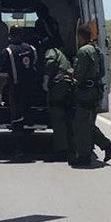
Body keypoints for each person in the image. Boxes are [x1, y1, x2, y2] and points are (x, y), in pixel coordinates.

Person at [70, 22, 111, 168]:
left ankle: (85, 155)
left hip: (85, 92)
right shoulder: (97, 50)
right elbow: (102, 72)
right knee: (88, 123)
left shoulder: (83, 51)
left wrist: (69, 73)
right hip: (96, 91)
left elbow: (78, 75)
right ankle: (106, 145)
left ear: (80, 36)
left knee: (81, 124)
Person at [0, 25, 40, 157]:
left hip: (16, 89)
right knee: (28, 116)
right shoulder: (31, 49)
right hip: (32, 89)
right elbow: (36, 66)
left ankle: (18, 148)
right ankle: (30, 145)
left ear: (10, 36)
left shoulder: (8, 52)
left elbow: (3, 77)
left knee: (17, 119)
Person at [41, 31, 75, 162]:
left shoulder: (51, 51)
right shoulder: (62, 54)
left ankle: (61, 149)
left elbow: (50, 64)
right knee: (69, 118)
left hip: (59, 85)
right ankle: (72, 146)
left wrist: (45, 79)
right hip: (67, 85)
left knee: (57, 117)